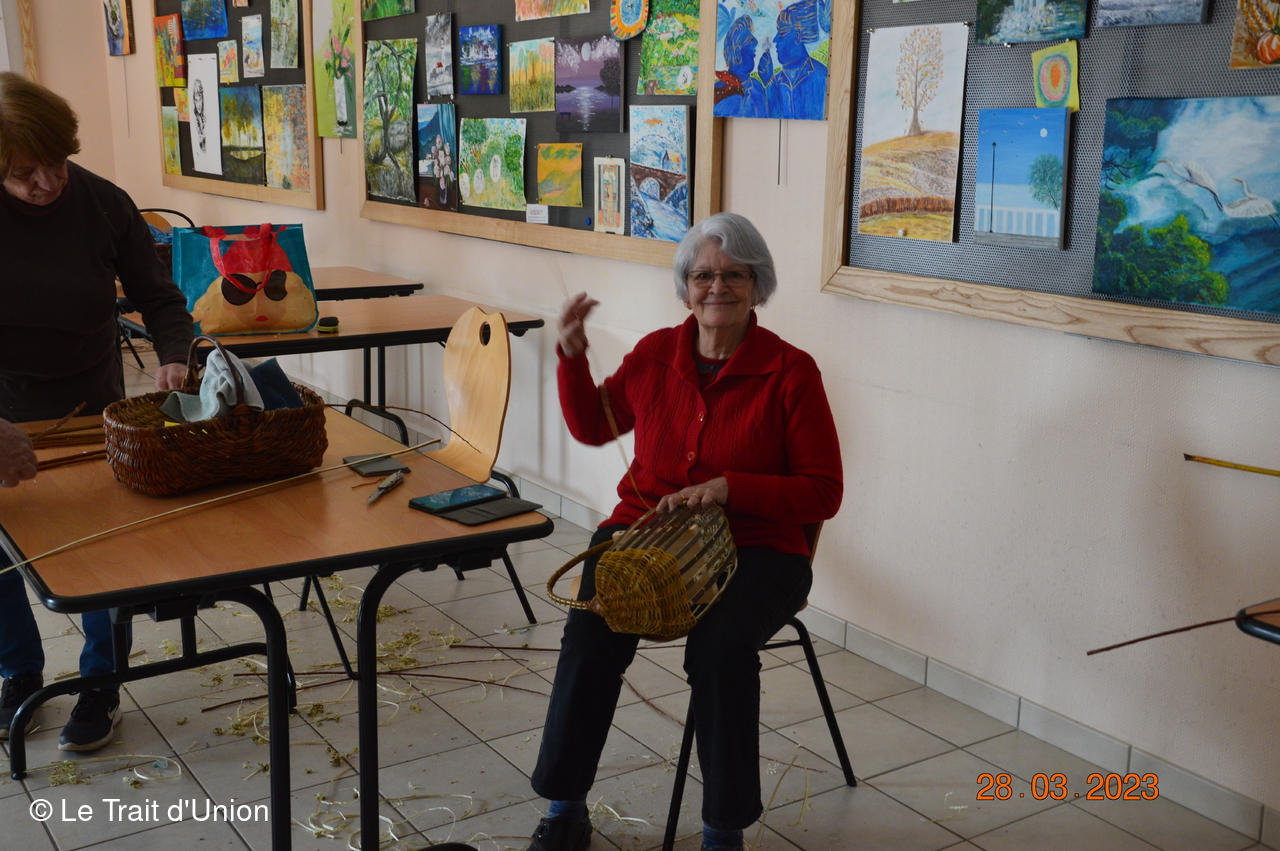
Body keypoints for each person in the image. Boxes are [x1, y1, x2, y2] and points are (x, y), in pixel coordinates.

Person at [525, 213, 843, 851]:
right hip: (643, 534)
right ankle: (565, 808)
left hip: (759, 548)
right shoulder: (655, 355)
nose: (717, 287)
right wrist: (572, 356)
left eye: (734, 275)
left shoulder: (791, 371)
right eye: (703, 275)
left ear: (757, 285)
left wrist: (730, 487)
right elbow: (593, 425)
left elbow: (823, 492)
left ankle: (723, 832)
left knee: (720, 652)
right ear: (686, 286)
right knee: (589, 635)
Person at [0, 72, 194, 751]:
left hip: (90, 404)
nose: (47, 182)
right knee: (2, 554)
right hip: (3, 412)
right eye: (24, 174)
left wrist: (175, 356)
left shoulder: (104, 203)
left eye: (56, 163)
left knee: (103, 550)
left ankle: (101, 683)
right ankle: (19, 673)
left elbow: (161, 299)